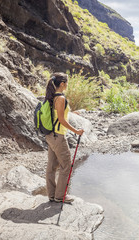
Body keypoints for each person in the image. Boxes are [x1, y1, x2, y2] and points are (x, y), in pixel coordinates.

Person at [44, 72, 84, 203]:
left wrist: (72, 113)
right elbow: (61, 119)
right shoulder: (60, 98)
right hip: (58, 136)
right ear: (62, 84)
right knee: (66, 165)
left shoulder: (51, 96)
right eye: (66, 82)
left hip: (50, 135)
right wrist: (76, 131)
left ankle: (52, 195)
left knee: (52, 166)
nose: (67, 84)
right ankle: (60, 196)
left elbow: (57, 114)